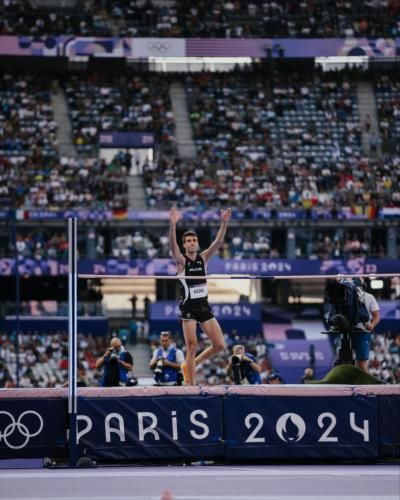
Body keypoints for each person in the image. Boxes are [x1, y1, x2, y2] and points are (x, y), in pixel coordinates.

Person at [169, 206, 232, 385]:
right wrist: (173, 226)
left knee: (219, 345)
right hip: (188, 308)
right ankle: (191, 384)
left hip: (204, 306)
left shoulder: (203, 258)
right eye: (188, 241)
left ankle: (191, 364)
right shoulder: (181, 262)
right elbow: (173, 248)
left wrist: (224, 223)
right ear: (184, 244)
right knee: (192, 345)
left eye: (193, 240)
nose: (191, 243)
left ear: (197, 243)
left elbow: (218, 243)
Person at [351, 278, 381, 374]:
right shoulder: (347, 297)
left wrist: (372, 325)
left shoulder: (369, 297)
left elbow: (376, 316)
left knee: (362, 364)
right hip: (348, 331)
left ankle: (367, 387)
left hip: (363, 332)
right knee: (353, 363)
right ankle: (356, 385)